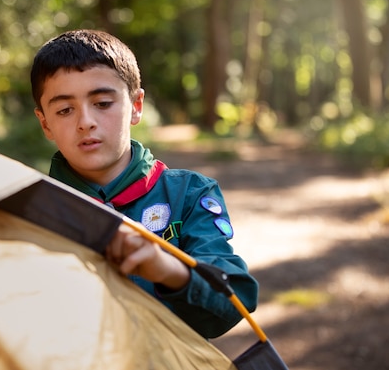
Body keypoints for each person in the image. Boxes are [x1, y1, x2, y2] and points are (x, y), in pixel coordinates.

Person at [30, 29, 258, 339]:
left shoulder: (189, 195)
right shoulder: (32, 209)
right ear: (45, 123)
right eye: (65, 110)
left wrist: (167, 270)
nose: (85, 121)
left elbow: (235, 301)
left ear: (136, 106)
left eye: (102, 103)